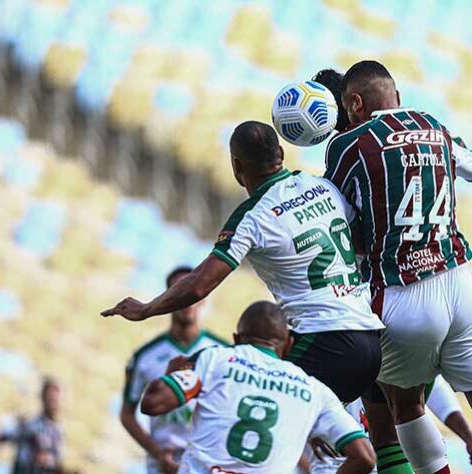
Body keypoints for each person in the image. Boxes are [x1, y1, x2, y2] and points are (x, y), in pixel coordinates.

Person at [322, 59, 472, 474]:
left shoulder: (348, 145)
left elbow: (339, 218)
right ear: (397, 98)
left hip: (401, 293)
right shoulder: (434, 127)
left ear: (353, 103)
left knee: (404, 405)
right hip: (460, 285)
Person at [101, 121, 385, 407]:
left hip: (325, 341)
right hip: (372, 338)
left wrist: (148, 309)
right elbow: (361, 243)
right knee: (371, 437)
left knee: (256, 403)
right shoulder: (321, 186)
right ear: (281, 154)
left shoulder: (253, 217)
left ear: (237, 166)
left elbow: (200, 284)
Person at [139, 301, 376, 473]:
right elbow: (365, 457)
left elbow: (153, 403)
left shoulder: (216, 360)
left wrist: (173, 374)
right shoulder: (315, 390)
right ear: (289, 344)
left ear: (236, 339)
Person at [119, 266, 230, 474]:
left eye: (193, 293)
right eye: (180, 292)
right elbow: (127, 414)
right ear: (168, 298)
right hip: (161, 466)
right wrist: (157, 453)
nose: (187, 302)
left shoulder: (224, 353)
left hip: (206, 464)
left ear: (204, 297)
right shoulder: (145, 356)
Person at [304, 376, 472, 473]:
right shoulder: (322, 357)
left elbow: (437, 391)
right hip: (337, 467)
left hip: (389, 464)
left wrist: (469, 436)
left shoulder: (394, 352)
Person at [0, 377, 74, 474]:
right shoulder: (30, 426)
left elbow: (53, 466)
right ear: (43, 398)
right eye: (51, 398)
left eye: (56, 399)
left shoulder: (58, 431)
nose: (54, 402)